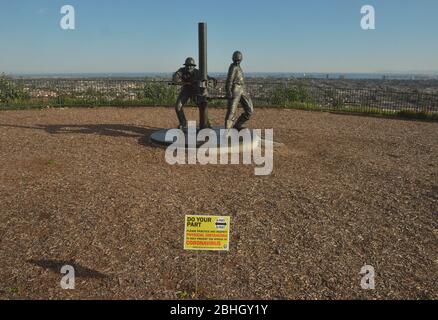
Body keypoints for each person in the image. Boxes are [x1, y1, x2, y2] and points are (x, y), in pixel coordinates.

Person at [172, 57, 217, 129]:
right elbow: (175, 76)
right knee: (178, 107)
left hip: (196, 91)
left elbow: (207, 78)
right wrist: (176, 78)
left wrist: (211, 80)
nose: (189, 67)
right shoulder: (182, 70)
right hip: (185, 90)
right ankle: (183, 123)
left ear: (194, 66)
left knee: (202, 107)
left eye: (191, 65)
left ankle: (207, 123)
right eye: (187, 65)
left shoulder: (198, 72)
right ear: (185, 66)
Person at [224, 51, 254, 130]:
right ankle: (227, 132)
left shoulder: (239, 67)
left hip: (242, 89)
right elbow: (229, 80)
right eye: (236, 60)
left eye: (239, 60)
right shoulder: (233, 67)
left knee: (249, 110)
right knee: (231, 112)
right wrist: (228, 91)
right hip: (235, 89)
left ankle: (237, 126)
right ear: (233, 59)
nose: (237, 61)